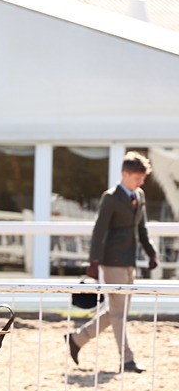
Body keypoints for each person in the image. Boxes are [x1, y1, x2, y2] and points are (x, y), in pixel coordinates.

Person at [66, 152, 158, 373]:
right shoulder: (111, 197)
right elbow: (99, 231)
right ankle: (127, 360)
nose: (141, 182)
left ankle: (77, 339)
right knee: (118, 312)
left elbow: (141, 229)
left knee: (118, 310)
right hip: (111, 261)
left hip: (129, 260)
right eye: (137, 177)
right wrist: (94, 262)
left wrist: (151, 253)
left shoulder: (140, 195)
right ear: (125, 174)